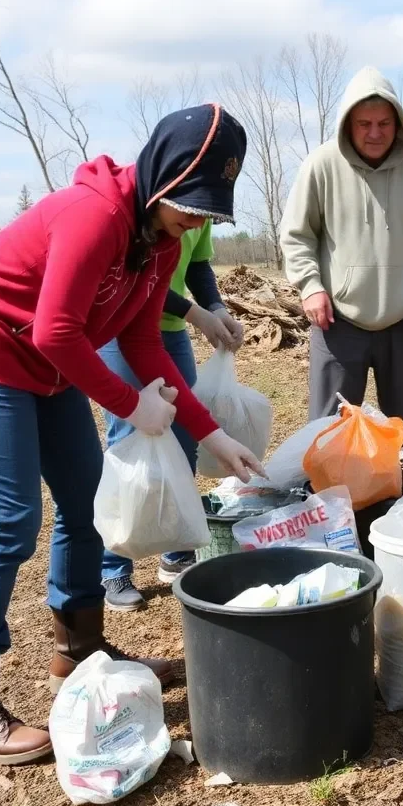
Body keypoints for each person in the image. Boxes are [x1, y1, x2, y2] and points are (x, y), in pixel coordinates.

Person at [0, 103, 265, 766]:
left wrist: (212, 435)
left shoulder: (160, 241)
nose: (195, 220)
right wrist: (133, 409)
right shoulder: (96, 214)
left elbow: (141, 338)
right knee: (10, 519)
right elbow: (55, 330)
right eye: (189, 204)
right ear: (160, 177)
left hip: (45, 369)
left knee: (86, 509)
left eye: (207, 211)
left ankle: (80, 654)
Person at [280, 66, 403, 440]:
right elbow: (296, 235)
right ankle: (331, 499)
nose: (375, 133)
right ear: (348, 124)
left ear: (398, 123)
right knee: (328, 434)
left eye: (384, 123)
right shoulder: (321, 166)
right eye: (364, 123)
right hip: (338, 320)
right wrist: (310, 286)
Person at [99, 223, 244, 611]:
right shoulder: (152, 212)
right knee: (129, 439)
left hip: (171, 332)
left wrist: (216, 307)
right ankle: (113, 565)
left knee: (184, 434)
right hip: (124, 328)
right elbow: (141, 279)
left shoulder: (202, 213)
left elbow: (197, 265)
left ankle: (177, 550)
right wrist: (197, 313)